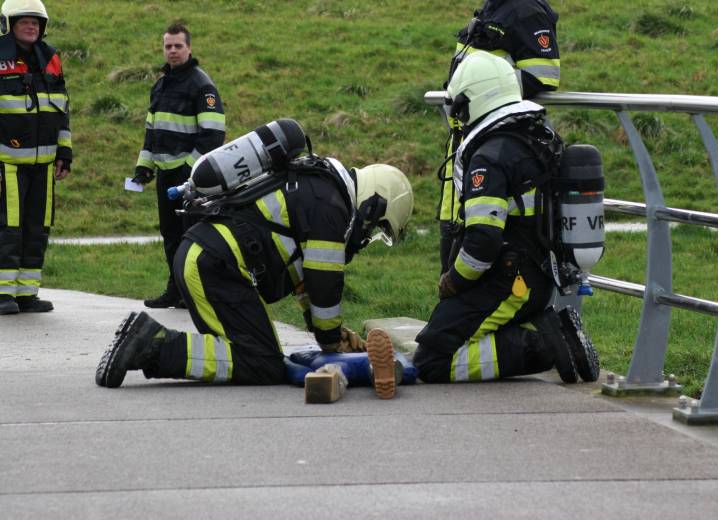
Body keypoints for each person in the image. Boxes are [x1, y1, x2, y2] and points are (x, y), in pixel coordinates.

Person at [96, 119, 414, 398]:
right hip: (216, 265)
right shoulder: (331, 207)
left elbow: (305, 283)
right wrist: (331, 339)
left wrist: (332, 335)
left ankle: (147, 341)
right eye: (375, 229)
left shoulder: (319, 189)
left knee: (244, 354)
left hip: (204, 259)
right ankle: (151, 344)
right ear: (373, 204)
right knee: (261, 362)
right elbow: (323, 281)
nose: (365, 238)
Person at [414, 51, 597, 384]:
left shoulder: (490, 156)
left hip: (508, 283)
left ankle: (546, 344)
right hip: (533, 279)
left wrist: (455, 279)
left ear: (474, 100)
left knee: (432, 359)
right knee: (442, 334)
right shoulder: (537, 136)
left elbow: (483, 240)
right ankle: (546, 329)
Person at [438, 0, 560, 274]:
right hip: (464, 142)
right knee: (452, 236)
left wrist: (479, 92)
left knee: (471, 244)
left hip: (487, 144)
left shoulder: (526, 9)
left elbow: (545, 75)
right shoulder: (494, 7)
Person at [133, 22, 225, 309]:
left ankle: (196, 293)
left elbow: (213, 135)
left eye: (178, 46)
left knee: (192, 235)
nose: (172, 51)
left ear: (189, 48)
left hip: (189, 177)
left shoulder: (202, 85)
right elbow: (152, 131)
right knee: (171, 235)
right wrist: (144, 166)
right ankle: (176, 291)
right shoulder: (161, 84)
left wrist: (190, 170)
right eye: (168, 46)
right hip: (165, 173)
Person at [0, 0, 70, 315]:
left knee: (37, 227)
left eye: (36, 22)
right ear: (9, 24)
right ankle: (2, 294)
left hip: (43, 164)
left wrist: (64, 151)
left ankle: (27, 293)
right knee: (8, 228)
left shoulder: (50, 58)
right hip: (6, 163)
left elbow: (62, 107)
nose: (31, 27)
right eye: (24, 21)